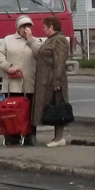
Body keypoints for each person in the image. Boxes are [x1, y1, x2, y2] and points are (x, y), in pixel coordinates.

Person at [0, 14, 40, 146]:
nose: (26, 29)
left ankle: (29, 135)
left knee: (28, 111)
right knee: (12, 111)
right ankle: (12, 135)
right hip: (12, 83)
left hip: (28, 83)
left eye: (28, 26)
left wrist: (30, 39)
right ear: (18, 28)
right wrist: (8, 67)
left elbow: (40, 54)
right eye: (23, 26)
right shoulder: (8, 40)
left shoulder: (35, 41)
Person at [35, 15, 70, 147]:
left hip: (53, 80)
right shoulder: (51, 40)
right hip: (47, 80)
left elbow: (60, 62)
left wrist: (57, 81)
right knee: (52, 107)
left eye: (44, 27)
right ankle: (56, 137)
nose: (43, 30)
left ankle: (59, 138)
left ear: (51, 27)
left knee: (57, 108)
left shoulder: (59, 40)